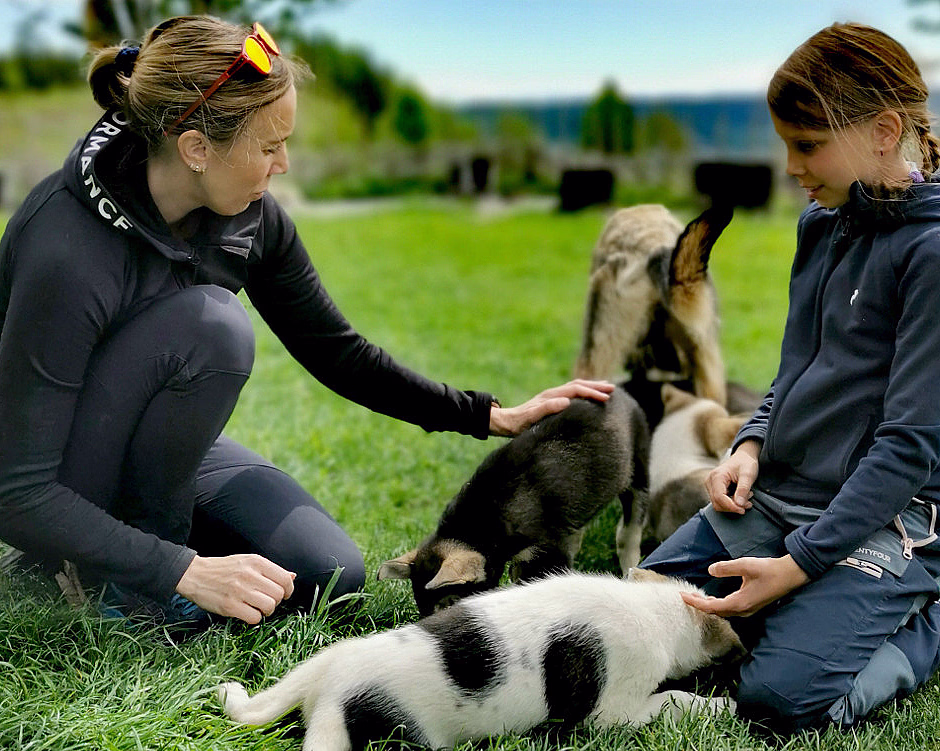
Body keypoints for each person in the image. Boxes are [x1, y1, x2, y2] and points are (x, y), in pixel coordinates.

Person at [0, 15, 613, 630]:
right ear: (195, 148)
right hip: (58, 471)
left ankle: (135, 549)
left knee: (326, 575)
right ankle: (113, 574)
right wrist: (180, 569)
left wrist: (483, 414)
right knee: (213, 326)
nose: (283, 165)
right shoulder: (65, 248)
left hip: (156, 452)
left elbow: (337, 351)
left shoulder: (249, 217)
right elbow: (16, 492)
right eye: (269, 147)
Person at [641, 22, 940, 733]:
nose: (790, 167)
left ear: (884, 129)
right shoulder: (820, 224)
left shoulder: (930, 255)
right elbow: (797, 372)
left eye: (806, 145)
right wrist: (747, 444)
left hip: (888, 522)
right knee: (637, 612)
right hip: (775, 500)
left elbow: (909, 448)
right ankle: (804, 603)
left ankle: (923, 622)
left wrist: (799, 563)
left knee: (776, 698)